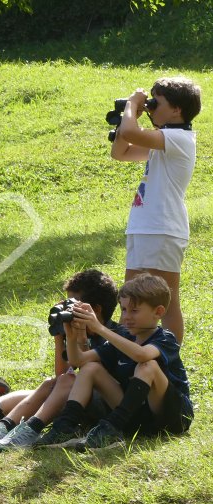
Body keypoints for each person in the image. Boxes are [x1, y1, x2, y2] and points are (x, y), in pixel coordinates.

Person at [0, 269, 120, 451]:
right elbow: (61, 373)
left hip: (106, 407)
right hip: (81, 402)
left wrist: (80, 336)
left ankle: (30, 430)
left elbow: (88, 370)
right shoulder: (77, 331)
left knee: (67, 380)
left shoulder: (113, 336)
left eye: (74, 306)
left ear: (95, 309)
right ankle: (5, 427)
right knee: (51, 382)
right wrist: (60, 334)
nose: (70, 311)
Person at [111, 76, 202, 345]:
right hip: (143, 226)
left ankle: (169, 358)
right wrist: (132, 114)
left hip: (163, 228)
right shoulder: (162, 141)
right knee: (130, 298)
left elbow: (130, 134)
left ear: (176, 110)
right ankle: (126, 354)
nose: (150, 108)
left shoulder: (179, 138)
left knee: (166, 298)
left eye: (155, 103)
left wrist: (132, 106)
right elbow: (121, 151)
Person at [58, 273, 192, 450]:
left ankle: (111, 427)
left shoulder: (165, 339)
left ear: (158, 312)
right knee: (90, 367)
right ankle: (64, 427)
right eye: (124, 309)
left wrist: (99, 328)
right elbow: (78, 360)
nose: (127, 316)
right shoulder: (123, 337)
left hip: (172, 418)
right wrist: (71, 334)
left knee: (148, 366)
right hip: (136, 420)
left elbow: (142, 355)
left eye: (134, 310)